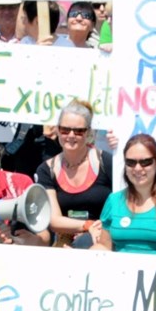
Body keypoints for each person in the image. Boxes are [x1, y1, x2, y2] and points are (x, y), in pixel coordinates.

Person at [94, 134, 156, 256]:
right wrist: (78, 257)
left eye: (145, 162)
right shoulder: (113, 200)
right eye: (130, 162)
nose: (137, 168)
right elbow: (104, 246)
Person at [33, 101, 112, 248]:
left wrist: (98, 229)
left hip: (102, 237)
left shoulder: (105, 162)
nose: (70, 135)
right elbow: (54, 220)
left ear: (88, 133)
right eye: (65, 130)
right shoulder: (46, 170)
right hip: (65, 239)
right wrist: (87, 225)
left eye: (78, 131)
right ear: (57, 130)